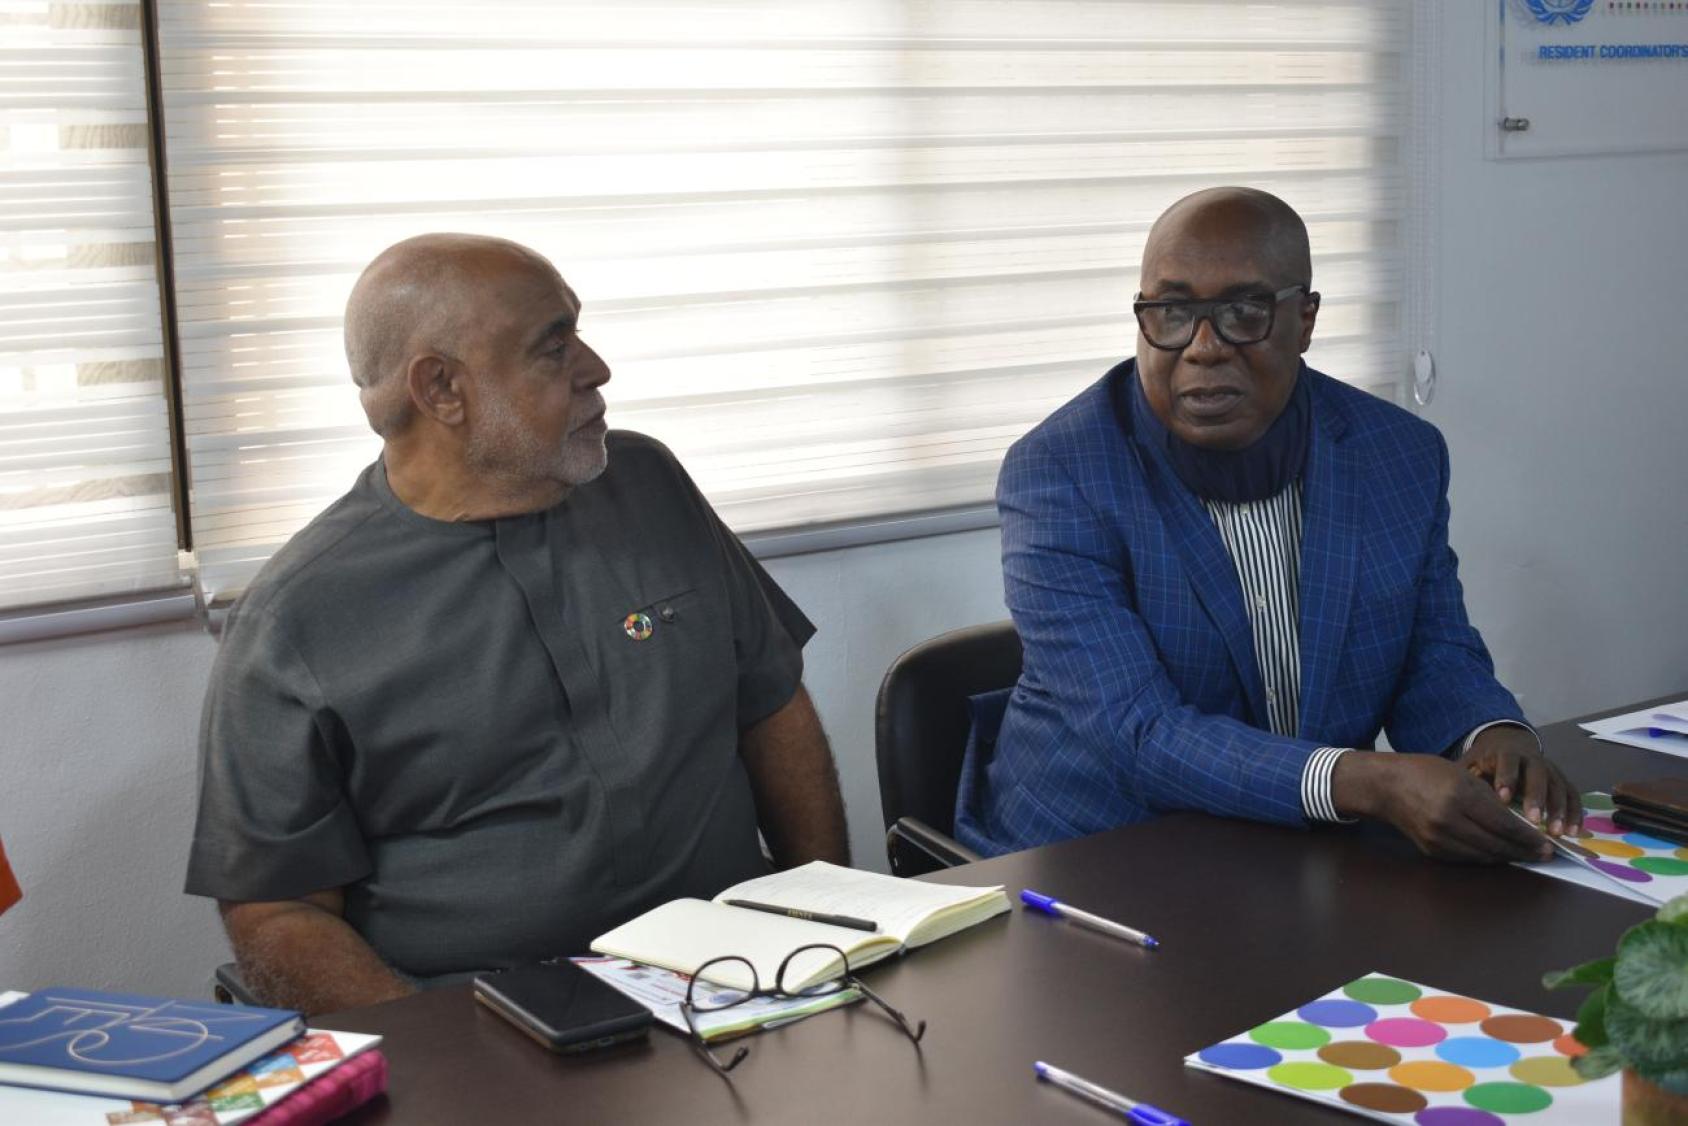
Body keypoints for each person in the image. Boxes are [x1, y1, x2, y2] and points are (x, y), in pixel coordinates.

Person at [185, 234, 849, 1014]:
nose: (595, 367)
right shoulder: (295, 618)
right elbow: (276, 910)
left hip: (739, 971)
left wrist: (830, 921)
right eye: (552, 345)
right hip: (486, 1016)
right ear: (442, 390)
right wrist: (441, 1064)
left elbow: (771, 703)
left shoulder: (649, 483)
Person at [956, 187, 1580, 863]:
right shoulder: (1059, 473)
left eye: (1243, 311)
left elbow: (1432, 653)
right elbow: (1140, 734)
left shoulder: (1397, 455)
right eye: (1170, 312)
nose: (1202, 347)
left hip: (1295, 859)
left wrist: (1490, 735)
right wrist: (1361, 781)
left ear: (1305, 320)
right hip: (1098, 858)